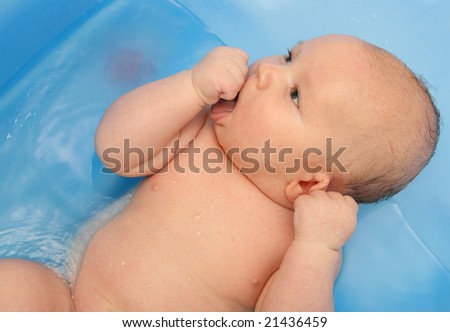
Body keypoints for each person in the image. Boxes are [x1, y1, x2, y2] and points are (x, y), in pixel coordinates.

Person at [0, 34, 439, 312]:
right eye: (290, 55)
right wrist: (190, 86)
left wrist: (317, 249)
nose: (267, 68)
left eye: (294, 94)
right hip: (66, 301)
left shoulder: (296, 238)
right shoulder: (202, 129)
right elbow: (115, 152)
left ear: (308, 181)